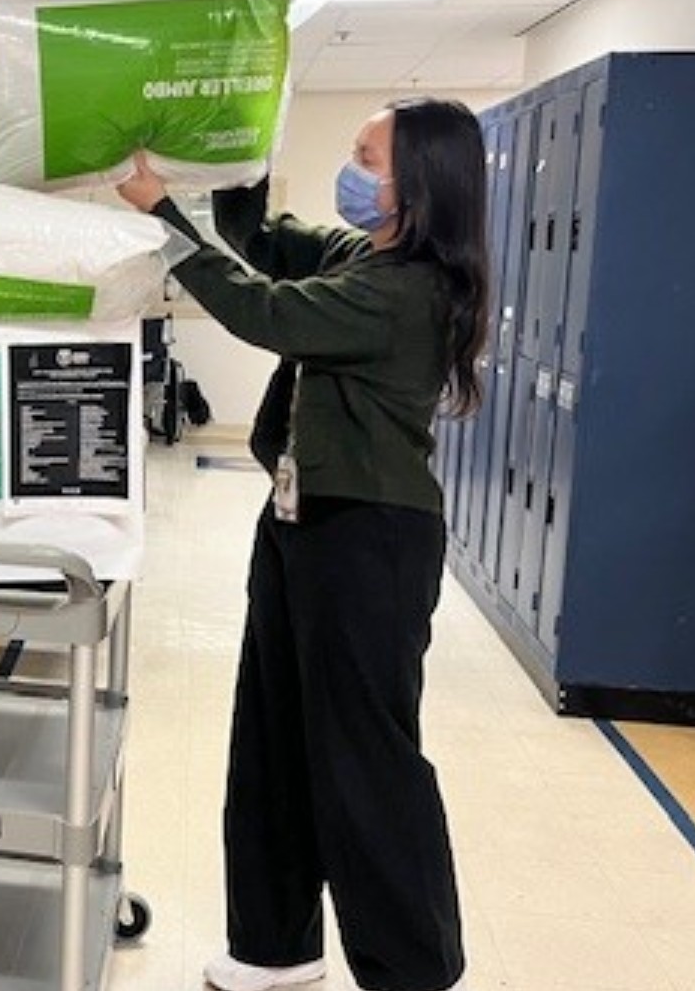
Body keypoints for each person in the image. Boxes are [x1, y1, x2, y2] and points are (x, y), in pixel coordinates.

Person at [117, 98, 490, 991]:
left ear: (418, 184)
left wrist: (163, 216)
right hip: (301, 522)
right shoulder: (369, 256)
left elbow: (267, 312)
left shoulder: (406, 291)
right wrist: (233, 162)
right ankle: (274, 947)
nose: (352, 170)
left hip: (370, 541)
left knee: (365, 761)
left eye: (367, 157)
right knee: (273, 738)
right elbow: (272, 245)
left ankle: (412, 970)